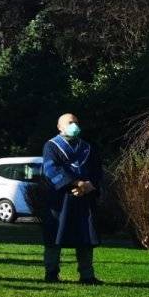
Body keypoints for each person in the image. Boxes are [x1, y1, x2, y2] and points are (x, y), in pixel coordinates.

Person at [41, 113, 102, 284]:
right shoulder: (51, 146)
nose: (74, 125)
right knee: (54, 236)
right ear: (60, 127)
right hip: (60, 200)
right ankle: (51, 273)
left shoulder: (87, 147)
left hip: (84, 199)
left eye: (76, 122)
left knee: (86, 236)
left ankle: (87, 275)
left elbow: (97, 170)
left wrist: (89, 185)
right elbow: (51, 170)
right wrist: (76, 184)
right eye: (70, 123)